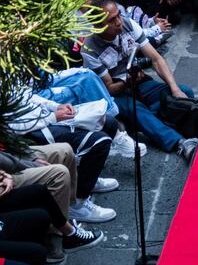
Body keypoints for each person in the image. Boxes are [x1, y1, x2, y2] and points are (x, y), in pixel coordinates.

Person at [83, 0, 198, 162]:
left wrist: (174, 89)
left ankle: (145, 124)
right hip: (115, 96)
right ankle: (179, 143)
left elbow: (156, 59)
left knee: (183, 93)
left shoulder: (128, 24)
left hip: (139, 83)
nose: (118, 22)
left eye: (118, 15)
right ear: (97, 25)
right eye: (111, 20)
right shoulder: (90, 49)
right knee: (136, 109)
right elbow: (109, 88)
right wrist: (126, 81)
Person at [10, 74, 119, 225]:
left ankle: (86, 180)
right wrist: (53, 117)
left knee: (109, 122)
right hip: (31, 131)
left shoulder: (6, 68)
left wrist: (55, 106)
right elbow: (8, 128)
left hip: (44, 116)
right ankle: (77, 203)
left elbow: (26, 96)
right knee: (99, 142)